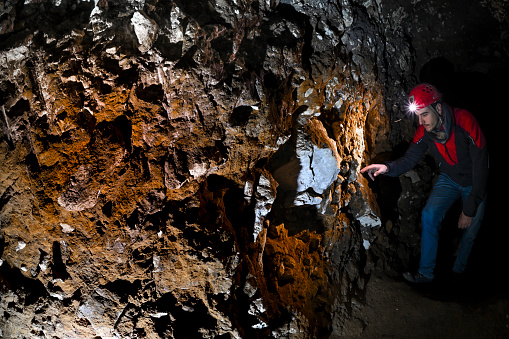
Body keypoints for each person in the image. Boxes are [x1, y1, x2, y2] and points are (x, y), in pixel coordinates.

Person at [360, 83, 489, 283]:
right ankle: (426, 273)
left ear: (438, 108)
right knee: (429, 215)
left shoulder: (465, 121)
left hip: (474, 182)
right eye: (418, 116)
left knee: (470, 232)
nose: (421, 121)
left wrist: (470, 207)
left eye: (424, 115)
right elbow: (409, 159)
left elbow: (482, 166)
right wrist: (387, 168)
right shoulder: (424, 132)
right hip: (449, 178)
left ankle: (458, 273)